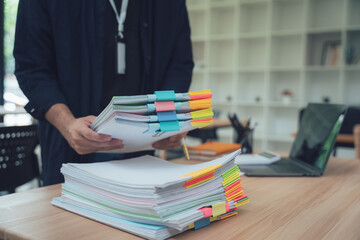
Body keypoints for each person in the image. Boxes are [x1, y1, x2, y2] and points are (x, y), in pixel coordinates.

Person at [13, 0, 194, 186]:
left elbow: (180, 64)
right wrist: (67, 124)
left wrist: (167, 118)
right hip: (70, 148)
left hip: (144, 152)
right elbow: (32, 67)